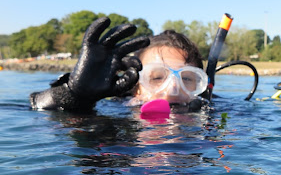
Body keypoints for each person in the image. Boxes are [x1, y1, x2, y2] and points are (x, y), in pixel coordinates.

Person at [30, 16, 209, 112]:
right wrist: (72, 96)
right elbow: (33, 111)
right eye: (157, 77)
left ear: (199, 86)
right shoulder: (114, 113)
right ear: (135, 87)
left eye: (186, 78)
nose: (172, 90)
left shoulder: (208, 117)